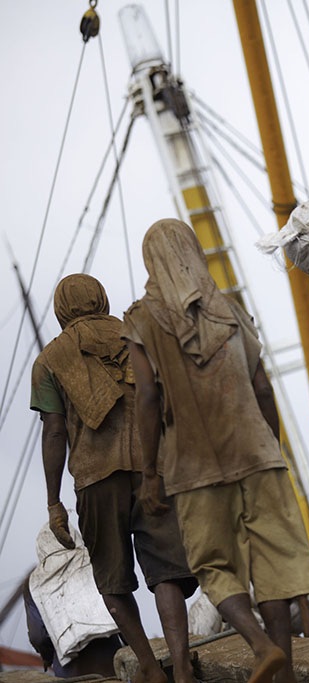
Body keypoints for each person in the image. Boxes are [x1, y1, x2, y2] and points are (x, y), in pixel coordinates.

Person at [123, 218, 309, 683]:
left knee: (213, 565)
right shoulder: (229, 310)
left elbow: (147, 398)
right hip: (257, 454)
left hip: (193, 468)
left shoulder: (141, 320)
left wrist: (150, 473)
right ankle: (283, 670)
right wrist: (271, 445)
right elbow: (262, 386)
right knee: (275, 566)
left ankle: (260, 646)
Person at [30, 273, 198, 683]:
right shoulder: (136, 335)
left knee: (111, 579)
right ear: (102, 298)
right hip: (152, 469)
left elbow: (54, 433)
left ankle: (147, 666)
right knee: (168, 572)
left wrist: (54, 504)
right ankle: (179, 667)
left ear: (60, 310)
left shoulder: (50, 360)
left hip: (94, 479)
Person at [24, 527, 124, 679]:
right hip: (111, 666)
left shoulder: (33, 583)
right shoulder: (95, 561)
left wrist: (47, 657)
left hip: (70, 674)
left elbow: (38, 636)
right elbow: (122, 611)